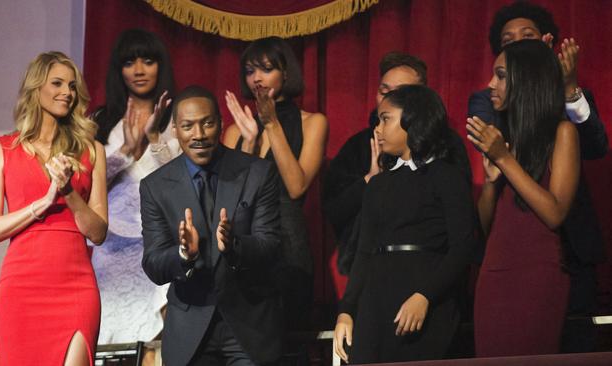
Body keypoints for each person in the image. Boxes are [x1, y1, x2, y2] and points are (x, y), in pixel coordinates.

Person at [467, 1, 608, 353]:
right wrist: (488, 182)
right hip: (494, 272)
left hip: (545, 269)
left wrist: (564, 84)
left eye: (500, 75)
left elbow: (557, 208)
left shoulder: (562, 129)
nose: (490, 83)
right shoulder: (497, 120)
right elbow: (484, 227)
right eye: (506, 41)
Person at [140, 86, 283, 365]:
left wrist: (234, 246)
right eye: (188, 126)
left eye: (207, 123)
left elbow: (272, 246)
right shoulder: (156, 187)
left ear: (220, 124)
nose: (199, 135)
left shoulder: (257, 173)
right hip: (190, 332)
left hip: (248, 326)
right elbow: (154, 264)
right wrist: (184, 255)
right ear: (175, 130)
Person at [0, 51, 108, 365]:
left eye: (72, 85)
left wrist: (67, 191)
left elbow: (99, 231)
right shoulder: (1, 149)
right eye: (57, 83)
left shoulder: (92, 150)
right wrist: (44, 201)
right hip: (22, 288)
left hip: (76, 285)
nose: (67, 92)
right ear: (36, 88)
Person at [333, 85, 476, 364]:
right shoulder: (378, 185)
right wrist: (346, 310)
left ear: (413, 119)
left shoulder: (446, 176)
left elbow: (463, 246)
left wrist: (425, 296)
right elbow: (364, 252)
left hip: (427, 302)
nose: (378, 128)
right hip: (376, 301)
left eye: (386, 118)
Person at [322, 51, 471, 276]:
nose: (389, 99)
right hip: (369, 271)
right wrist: (369, 182)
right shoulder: (359, 145)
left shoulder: (446, 144)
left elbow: (459, 223)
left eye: (401, 93)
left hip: (430, 269)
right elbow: (334, 210)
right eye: (384, 91)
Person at [223, 36, 328, 327]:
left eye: (266, 69)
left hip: (289, 246)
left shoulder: (313, 123)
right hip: (245, 243)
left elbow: (296, 187)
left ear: (286, 72)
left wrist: (272, 124)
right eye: (250, 70)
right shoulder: (237, 130)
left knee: (288, 340)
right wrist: (249, 142)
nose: (257, 78)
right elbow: (230, 198)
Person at [90, 29, 179, 363]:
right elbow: (87, 186)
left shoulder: (177, 116)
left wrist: (154, 140)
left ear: (161, 66)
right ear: (119, 69)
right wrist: (126, 152)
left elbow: (186, 181)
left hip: (159, 245)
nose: (139, 69)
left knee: (156, 346)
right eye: (129, 62)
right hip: (110, 250)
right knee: (111, 345)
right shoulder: (99, 121)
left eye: (148, 60)